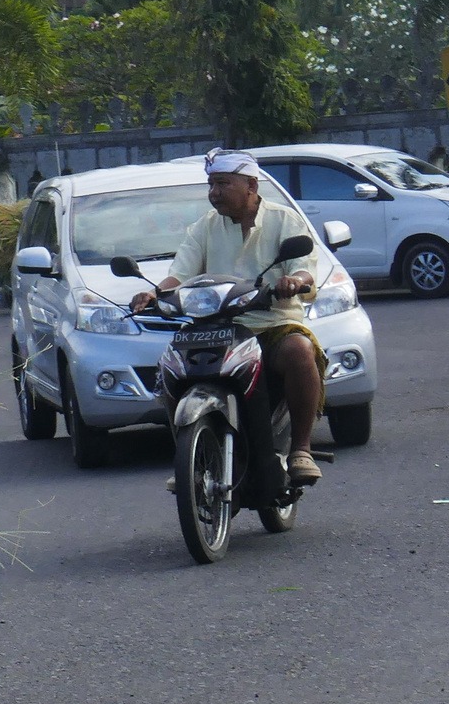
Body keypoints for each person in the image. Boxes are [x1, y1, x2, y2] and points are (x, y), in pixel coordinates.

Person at [130, 149, 327, 484]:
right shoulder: (204, 227)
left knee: (299, 351)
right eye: (211, 184)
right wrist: (154, 293)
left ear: (251, 185)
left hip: (272, 325)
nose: (214, 192)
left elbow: (305, 272)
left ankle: (301, 450)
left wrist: (293, 281)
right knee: (172, 365)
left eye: (222, 183)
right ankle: (190, 456)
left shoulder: (284, 220)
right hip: (218, 328)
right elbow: (180, 274)